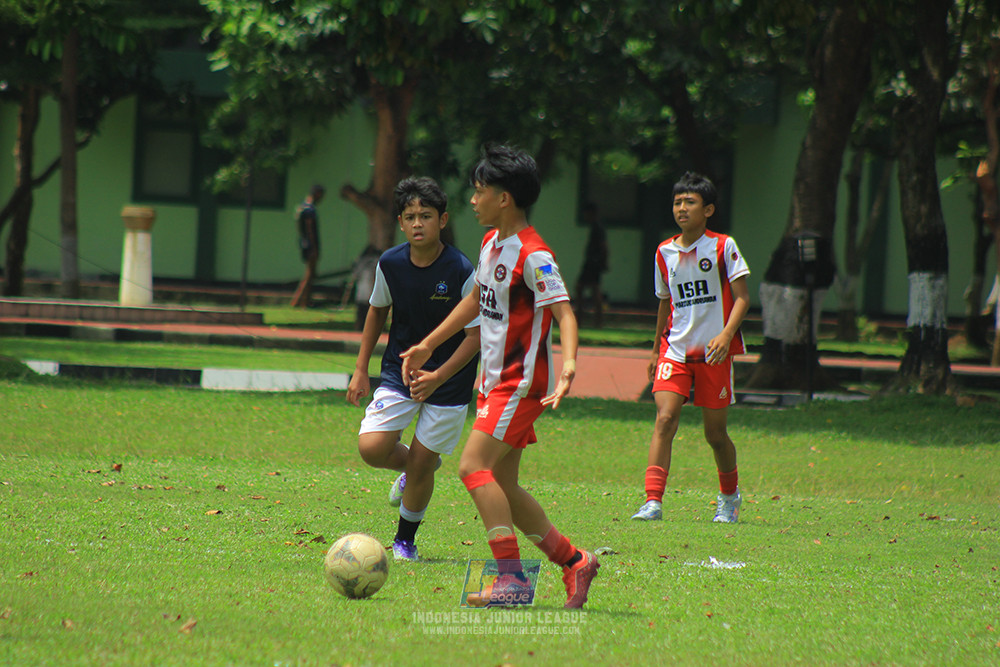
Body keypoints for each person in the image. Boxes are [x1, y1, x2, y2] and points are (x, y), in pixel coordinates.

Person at [401, 145, 599, 609]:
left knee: (473, 467)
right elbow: (474, 302)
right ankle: (574, 562)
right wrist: (430, 342)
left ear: (504, 197)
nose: (472, 200)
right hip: (493, 384)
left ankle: (511, 580)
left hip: (520, 384)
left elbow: (565, 314)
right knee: (504, 487)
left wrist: (569, 364)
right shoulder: (492, 244)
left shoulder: (535, 254)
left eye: (479, 191)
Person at [346, 177, 481, 562]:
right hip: (399, 373)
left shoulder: (460, 269)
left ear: (443, 220)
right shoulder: (390, 263)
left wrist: (439, 375)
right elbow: (377, 311)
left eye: (426, 215)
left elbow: (475, 337)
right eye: (410, 217)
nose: (418, 223)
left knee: (422, 465)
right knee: (372, 448)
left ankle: (405, 540)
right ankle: (421, 464)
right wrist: (360, 368)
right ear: (401, 224)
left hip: (450, 381)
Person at [630, 172, 750, 524]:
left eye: (690, 202)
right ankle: (653, 501)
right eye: (677, 202)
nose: (682, 209)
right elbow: (665, 304)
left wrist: (726, 335)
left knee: (715, 434)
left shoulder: (723, 247)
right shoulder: (664, 252)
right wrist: (655, 350)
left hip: (714, 352)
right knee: (665, 419)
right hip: (675, 350)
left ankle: (729, 497)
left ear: (708, 209)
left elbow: (743, 297)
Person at [574, 202, 609, 328]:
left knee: (586, 289)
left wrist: (603, 261)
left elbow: (603, 246)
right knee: (592, 290)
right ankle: (591, 319)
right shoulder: (595, 227)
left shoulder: (597, 228)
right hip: (592, 262)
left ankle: (587, 319)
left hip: (593, 263)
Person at [291, 184, 325, 308]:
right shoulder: (309, 210)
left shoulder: (301, 207)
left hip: (304, 243)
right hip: (310, 245)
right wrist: (314, 247)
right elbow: (310, 230)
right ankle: (300, 301)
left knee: (310, 274)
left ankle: (302, 301)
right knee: (309, 275)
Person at [352, 245, 382, 331]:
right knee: (373, 318)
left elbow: (355, 274)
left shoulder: (360, 262)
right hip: (371, 294)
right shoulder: (378, 261)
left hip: (360, 294)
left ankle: (358, 331)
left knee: (361, 316)